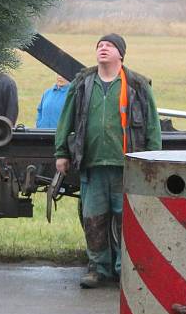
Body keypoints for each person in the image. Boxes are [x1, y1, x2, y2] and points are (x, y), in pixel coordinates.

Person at [54, 34, 161, 288]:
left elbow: (152, 125)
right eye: (99, 46)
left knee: (128, 221)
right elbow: (66, 119)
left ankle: (126, 269)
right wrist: (61, 153)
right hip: (93, 166)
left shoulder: (137, 85)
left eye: (109, 46)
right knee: (94, 219)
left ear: (120, 54)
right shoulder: (82, 83)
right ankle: (97, 268)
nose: (102, 49)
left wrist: (153, 158)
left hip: (127, 166)